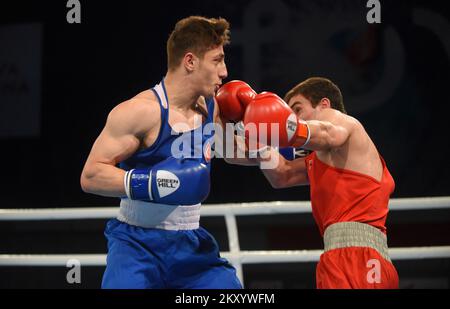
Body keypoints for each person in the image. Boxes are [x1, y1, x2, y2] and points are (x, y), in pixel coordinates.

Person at [80, 16, 244, 289]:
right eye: (217, 60)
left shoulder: (211, 108)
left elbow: (233, 150)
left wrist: (285, 139)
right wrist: (155, 183)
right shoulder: (140, 112)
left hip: (191, 247)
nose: (225, 72)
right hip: (136, 246)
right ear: (190, 62)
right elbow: (91, 175)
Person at [234, 77, 399, 289]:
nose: (292, 116)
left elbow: (328, 134)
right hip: (336, 257)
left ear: (324, 104)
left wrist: (286, 125)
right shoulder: (318, 160)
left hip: (362, 259)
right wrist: (220, 128)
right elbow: (282, 174)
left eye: (297, 109)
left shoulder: (347, 125)